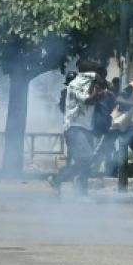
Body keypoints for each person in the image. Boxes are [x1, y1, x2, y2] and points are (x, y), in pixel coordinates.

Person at [49, 59, 106, 197]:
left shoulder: (89, 84)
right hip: (74, 128)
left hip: (86, 128)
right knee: (86, 159)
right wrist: (98, 93)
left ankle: (63, 183)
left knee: (85, 162)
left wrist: (100, 91)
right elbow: (88, 100)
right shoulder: (75, 85)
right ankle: (68, 185)